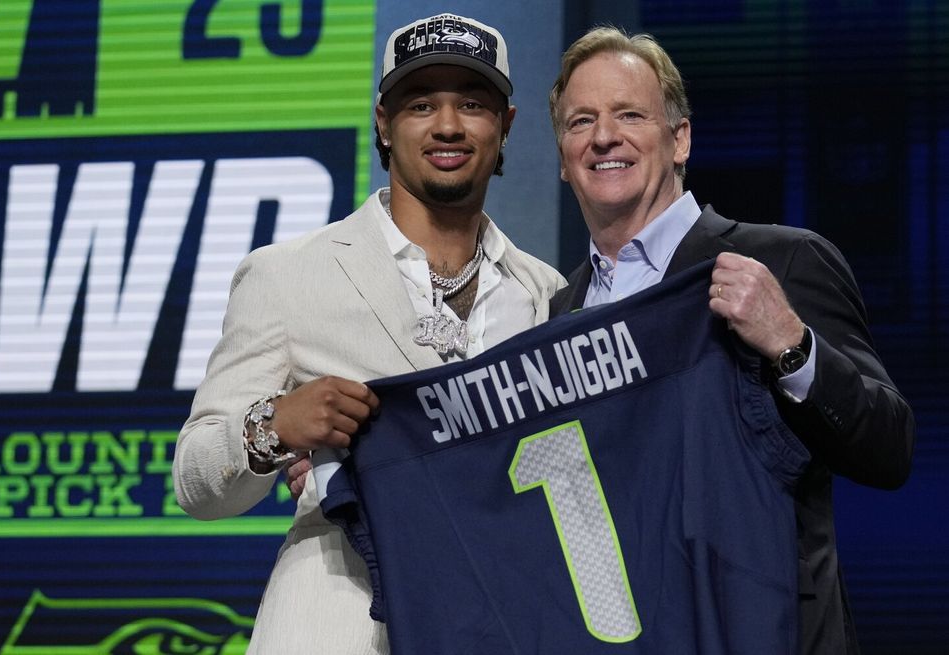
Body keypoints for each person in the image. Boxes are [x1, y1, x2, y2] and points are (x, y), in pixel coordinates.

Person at [173, 13, 564, 654]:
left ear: (506, 126)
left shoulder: (545, 294)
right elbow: (195, 480)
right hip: (338, 622)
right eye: (420, 104)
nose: (447, 125)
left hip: (503, 623)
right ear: (383, 123)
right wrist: (276, 426)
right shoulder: (287, 275)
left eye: (472, 103)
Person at [546, 26, 914, 655]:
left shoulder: (785, 261)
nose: (603, 136)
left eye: (629, 114)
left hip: (767, 631)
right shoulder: (560, 312)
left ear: (680, 137)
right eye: (581, 121)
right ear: (561, 155)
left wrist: (791, 345)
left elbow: (889, 447)